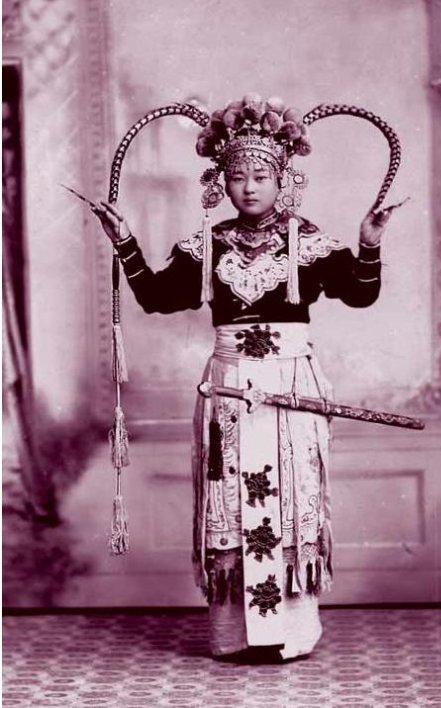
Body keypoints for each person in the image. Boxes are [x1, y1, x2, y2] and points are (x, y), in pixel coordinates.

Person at [93, 94, 392, 663]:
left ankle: (290, 633)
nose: (249, 187)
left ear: (284, 179)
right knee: (231, 497)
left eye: (261, 175)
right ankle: (236, 635)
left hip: (292, 388)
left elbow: (360, 292)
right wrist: (125, 240)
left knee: (290, 497)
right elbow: (156, 298)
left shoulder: (308, 240)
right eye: (237, 177)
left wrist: (370, 242)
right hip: (228, 387)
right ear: (219, 184)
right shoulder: (206, 245)